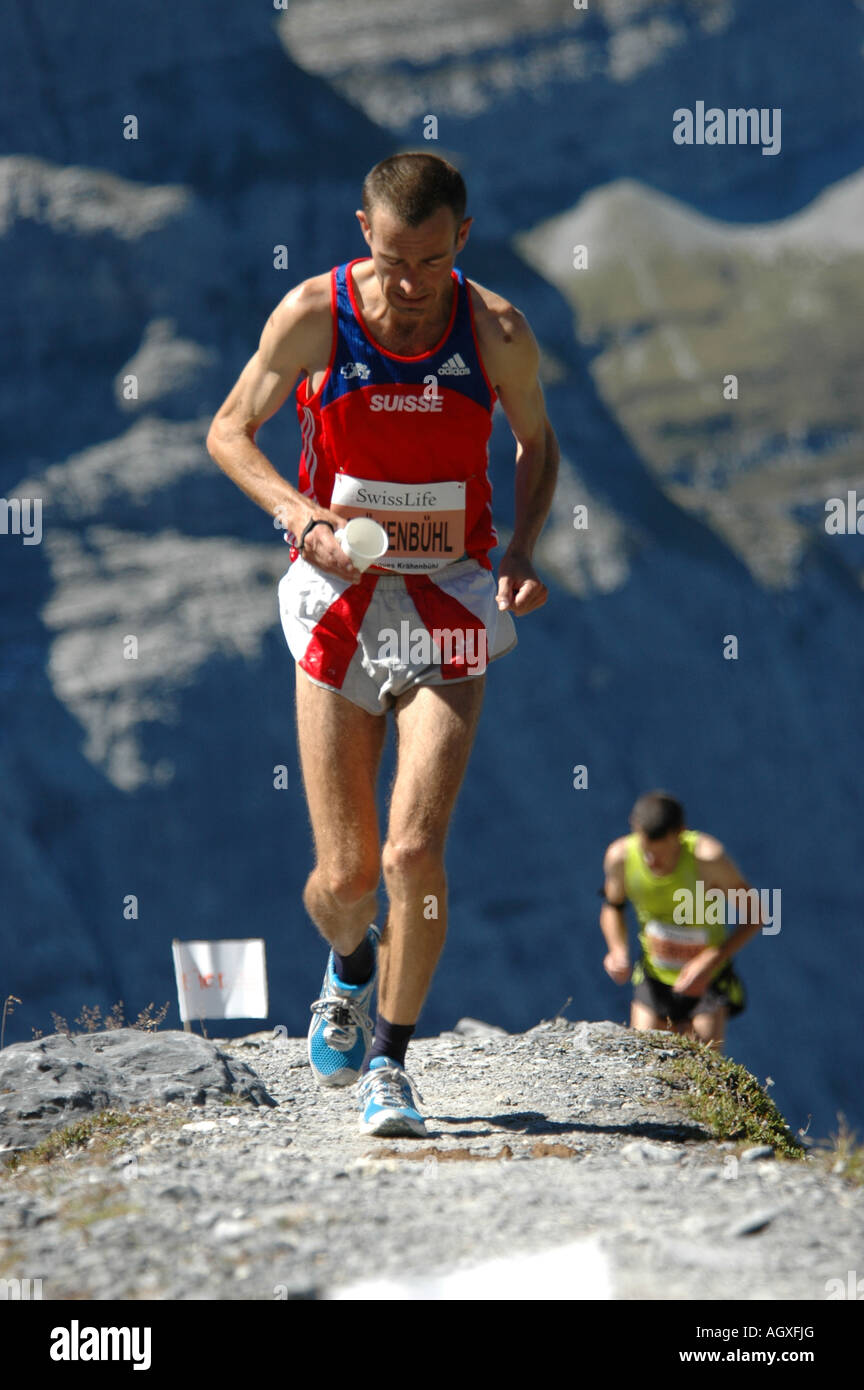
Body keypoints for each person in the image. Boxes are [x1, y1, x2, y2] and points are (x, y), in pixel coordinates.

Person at [206, 152, 558, 1135]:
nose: (410, 288)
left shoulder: (495, 331)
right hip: (339, 592)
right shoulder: (314, 316)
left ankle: (392, 1066)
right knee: (350, 877)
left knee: (413, 849)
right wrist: (296, 512)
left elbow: (539, 442)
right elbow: (230, 431)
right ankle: (350, 965)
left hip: (450, 592)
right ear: (364, 229)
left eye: (432, 263)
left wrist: (522, 548)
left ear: (463, 241)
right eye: (395, 261)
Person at [600, 791, 759, 1049]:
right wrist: (617, 949)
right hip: (654, 979)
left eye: (660, 854)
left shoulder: (708, 860)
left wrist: (711, 959)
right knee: (642, 1064)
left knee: (704, 1074)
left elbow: (756, 915)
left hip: (707, 983)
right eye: (646, 853)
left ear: (680, 833)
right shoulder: (620, 857)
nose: (652, 861)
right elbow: (612, 907)